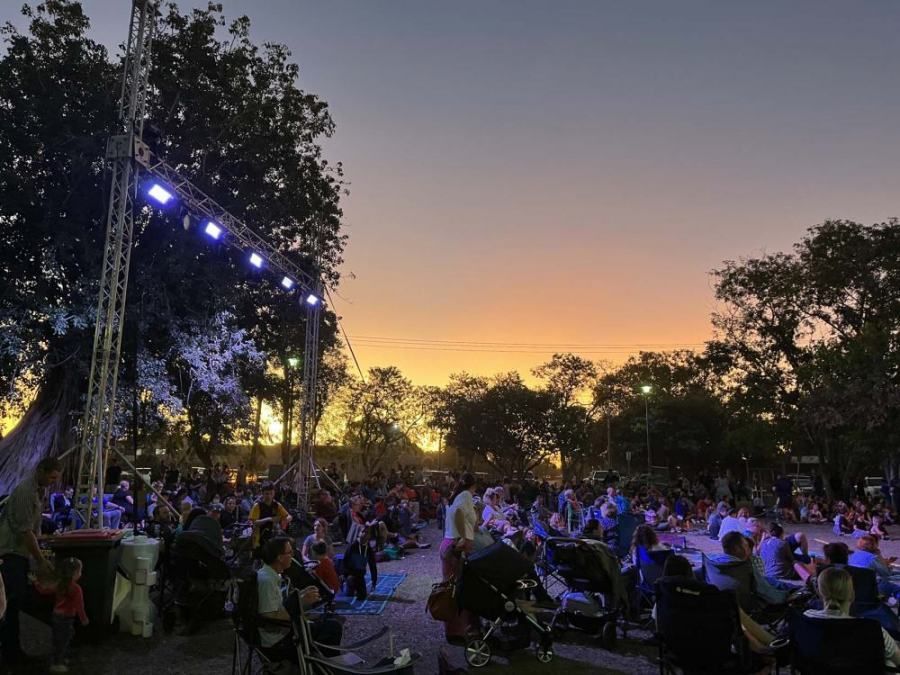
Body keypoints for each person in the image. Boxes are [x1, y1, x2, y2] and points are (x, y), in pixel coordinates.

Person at [0, 457, 60, 665]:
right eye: (51, 477)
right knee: (11, 604)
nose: (53, 481)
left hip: (19, 552)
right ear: (41, 471)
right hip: (10, 552)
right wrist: (41, 561)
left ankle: (12, 651)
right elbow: (25, 531)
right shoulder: (26, 491)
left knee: (14, 603)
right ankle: (10, 655)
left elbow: (33, 529)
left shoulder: (38, 490)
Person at [256, 536, 341, 664]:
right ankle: (323, 667)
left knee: (330, 624)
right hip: (279, 642)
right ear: (279, 557)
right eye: (289, 553)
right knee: (332, 628)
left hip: (283, 633)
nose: (293, 556)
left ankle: (323, 664)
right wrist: (300, 603)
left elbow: (277, 607)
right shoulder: (267, 581)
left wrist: (300, 596)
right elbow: (269, 616)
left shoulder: (270, 574)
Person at [804, 566, 900, 668]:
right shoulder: (872, 629)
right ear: (852, 594)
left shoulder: (806, 618)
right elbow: (898, 660)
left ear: (819, 592)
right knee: (890, 662)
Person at [441, 472, 477, 643]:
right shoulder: (466, 495)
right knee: (456, 590)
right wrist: (464, 538)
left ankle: (455, 630)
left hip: (450, 543)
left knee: (452, 588)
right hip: (455, 546)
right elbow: (458, 514)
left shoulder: (458, 495)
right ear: (474, 486)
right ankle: (457, 631)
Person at [37, 557, 89, 674]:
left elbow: (44, 590)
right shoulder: (76, 588)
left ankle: (59, 658)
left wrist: (37, 583)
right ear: (75, 573)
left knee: (58, 639)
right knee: (64, 640)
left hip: (56, 616)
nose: (80, 574)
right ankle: (57, 663)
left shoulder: (59, 584)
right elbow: (79, 606)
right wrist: (84, 618)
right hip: (67, 618)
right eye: (80, 571)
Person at [249, 483, 291, 549]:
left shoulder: (277, 505)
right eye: (267, 494)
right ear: (262, 493)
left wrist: (284, 520)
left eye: (271, 493)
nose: (269, 496)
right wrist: (269, 519)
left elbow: (288, 516)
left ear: (274, 493)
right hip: (259, 536)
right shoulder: (257, 506)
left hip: (274, 534)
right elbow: (254, 522)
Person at [342, 524, 378, 601]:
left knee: (362, 596)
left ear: (370, 536)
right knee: (349, 595)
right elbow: (345, 561)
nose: (364, 534)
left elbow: (372, 566)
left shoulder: (368, 550)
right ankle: (346, 585)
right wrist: (346, 575)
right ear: (359, 533)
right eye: (363, 532)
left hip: (360, 575)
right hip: (350, 574)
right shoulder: (352, 546)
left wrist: (374, 581)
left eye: (367, 533)